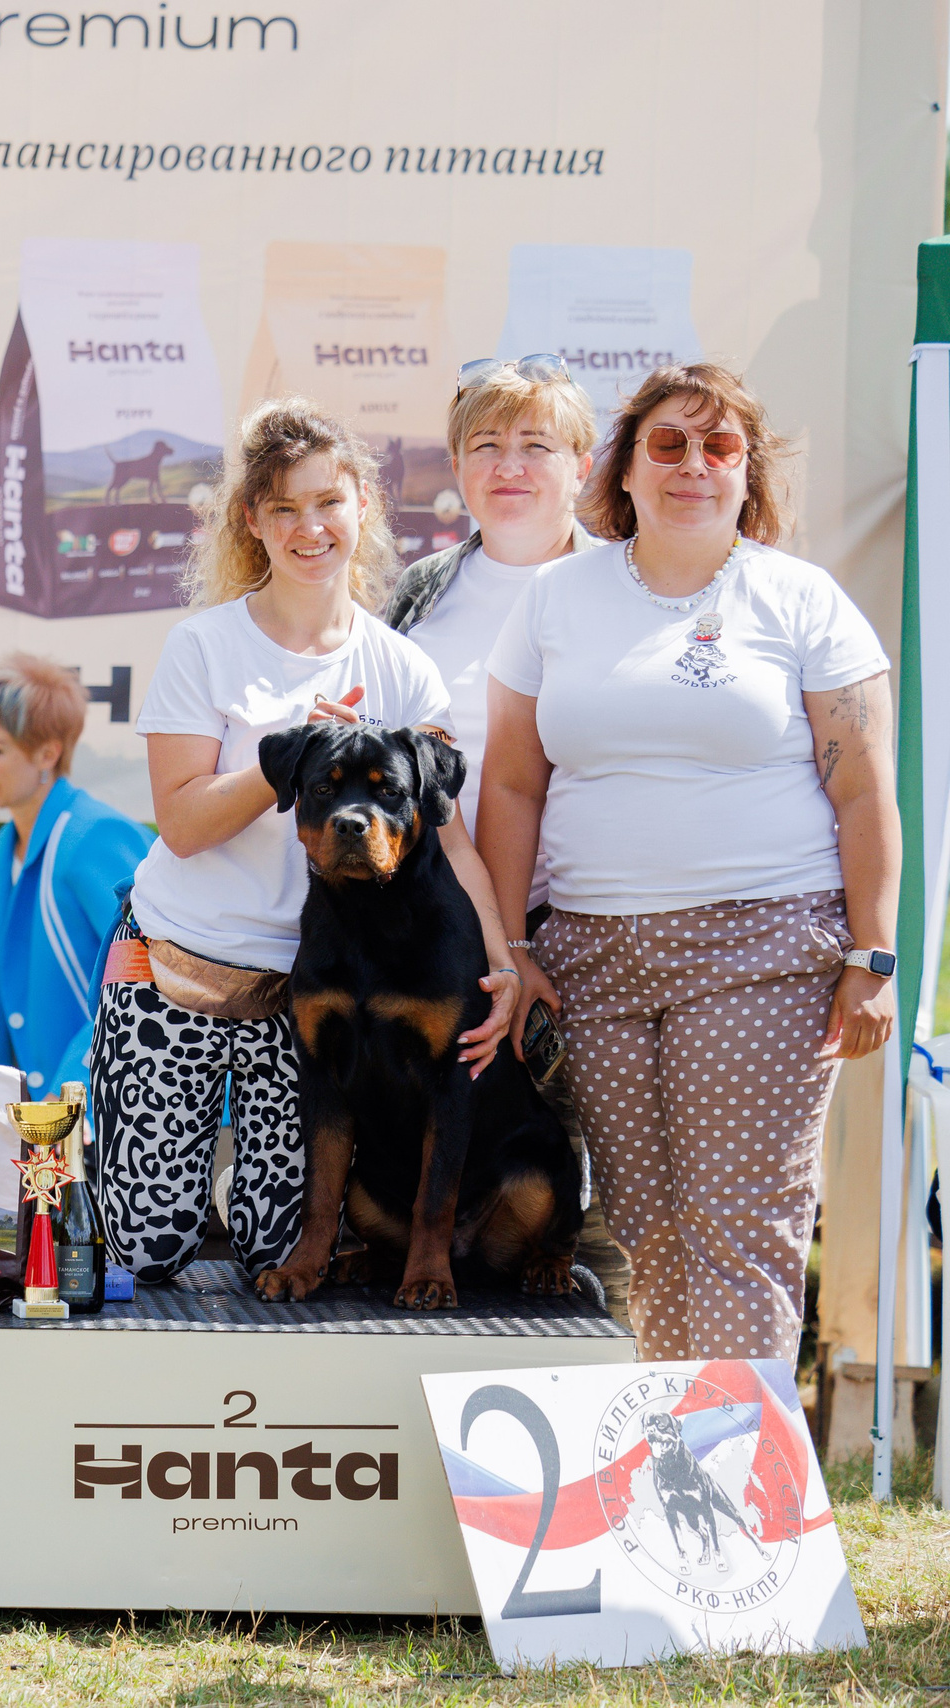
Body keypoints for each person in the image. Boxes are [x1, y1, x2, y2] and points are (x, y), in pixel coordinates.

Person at [479, 363, 900, 1361]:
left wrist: (872, 956)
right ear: (623, 468)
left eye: (719, 447)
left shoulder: (802, 600)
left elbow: (861, 791)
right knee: (645, 1226)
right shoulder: (552, 600)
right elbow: (510, 787)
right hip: (591, 956)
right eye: (666, 443)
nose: (692, 466)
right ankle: (678, 1473)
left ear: (745, 471)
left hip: (759, 948)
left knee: (738, 1224)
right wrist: (508, 944)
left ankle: (743, 1498)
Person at [94, 399, 519, 1285]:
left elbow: (457, 845)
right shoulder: (203, 644)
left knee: (281, 1255)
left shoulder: (401, 668)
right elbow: (180, 822)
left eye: (326, 501)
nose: (308, 526)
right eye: (282, 507)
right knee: (145, 1247)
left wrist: (503, 963)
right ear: (251, 521)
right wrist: (290, 752)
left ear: (361, 505)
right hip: (177, 966)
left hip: (304, 987)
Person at [384, 356, 600, 868]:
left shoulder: (623, 587)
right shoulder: (421, 588)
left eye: (535, 446)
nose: (508, 467)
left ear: (581, 469)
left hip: (580, 915)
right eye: (486, 445)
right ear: (457, 466)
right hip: (431, 907)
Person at [0, 654, 151, 1097]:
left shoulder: (94, 836)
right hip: (45, 1114)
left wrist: (74, 1083)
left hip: (113, 1113)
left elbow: (144, 983)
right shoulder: (2, 850)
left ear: (48, 753)